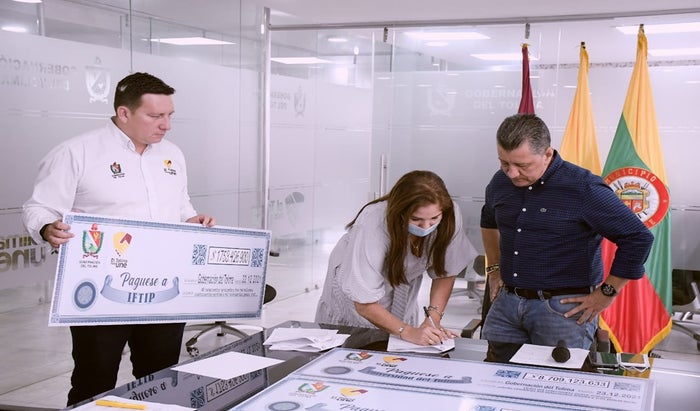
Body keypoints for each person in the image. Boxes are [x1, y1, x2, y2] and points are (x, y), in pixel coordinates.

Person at [22, 72, 216, 405]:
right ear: (124, 113)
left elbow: (181, 204)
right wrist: (46, 227)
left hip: (164, 287)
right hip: (102, 290)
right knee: (94, 379)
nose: (166, 125)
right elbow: (38, 207)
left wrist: (191, 219)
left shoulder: (172, 154)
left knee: (161, 378)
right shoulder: (77, 152)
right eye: (155, 116)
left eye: (169, 115)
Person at [480, 113, 654, 361]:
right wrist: (494, 269)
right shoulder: (500, 182)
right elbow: (488, 219)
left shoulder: (583, 188)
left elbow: (637, 238)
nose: (512, 173)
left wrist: (606, 293)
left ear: (547, 154)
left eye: (523, 165)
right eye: (504, 163)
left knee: (558, 380)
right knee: (496, 374)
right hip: (507, 303)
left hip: (562, 310)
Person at [315, 170, 477, 346]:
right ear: (400, 211)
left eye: (434, 219)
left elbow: (445, 272)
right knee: (356, 348)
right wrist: (407, 331)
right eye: (416, 219)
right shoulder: (374, 223)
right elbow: (364, 303)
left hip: (401, 289)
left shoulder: (450, 215)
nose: (426, 227)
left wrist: (433, 320)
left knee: (401, 345)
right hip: (356, 298)